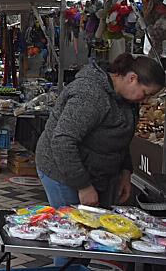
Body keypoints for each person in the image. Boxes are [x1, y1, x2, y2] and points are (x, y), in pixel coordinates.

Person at [36, 54, 164, 266]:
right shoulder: (90, 95)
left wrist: (125, 172)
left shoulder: (125, 98)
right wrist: (83, 186)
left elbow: (121, 138)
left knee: (89, 235)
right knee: (73, 239)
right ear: (132, 78)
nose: (144, 100)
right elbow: (62, 141)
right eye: (145, 94)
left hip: (96, 171)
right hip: (62, 171)